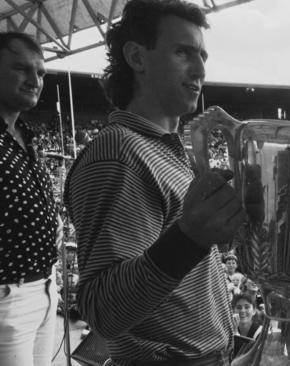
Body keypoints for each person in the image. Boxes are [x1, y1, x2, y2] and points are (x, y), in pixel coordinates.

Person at [63, 1, 246, 364]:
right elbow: (103, 311)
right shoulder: (119, 152)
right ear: (137, 57)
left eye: (203, 56)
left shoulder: (165, 151)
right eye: (183, 52)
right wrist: (189, 238)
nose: (200, 70)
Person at [0, 31, 60, 366]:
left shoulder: (25, 135)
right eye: (21, 69)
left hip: (45, 290)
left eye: (40, 73)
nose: (34, 80)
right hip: (7, 297)